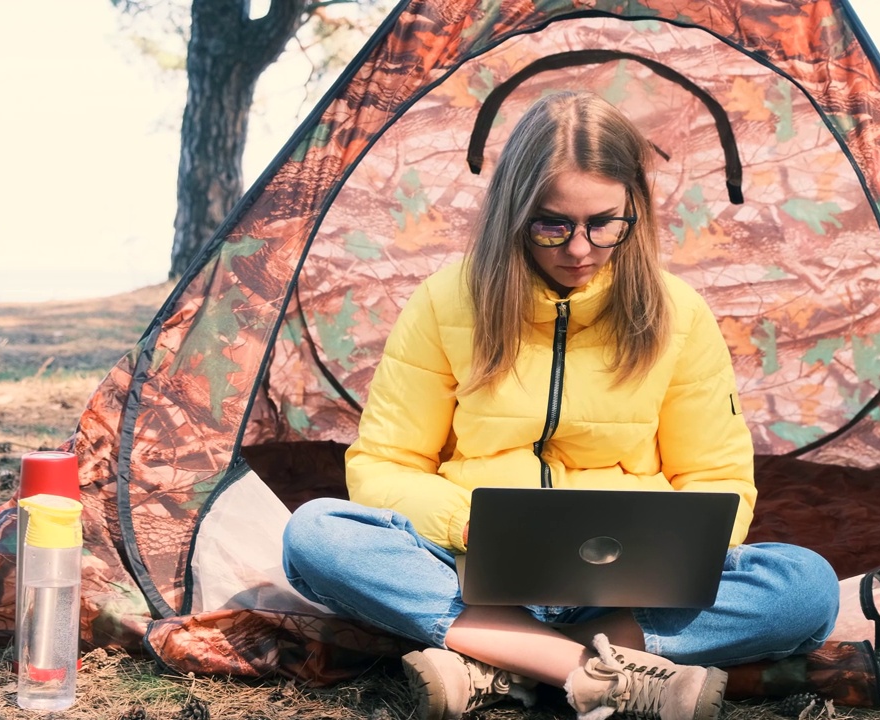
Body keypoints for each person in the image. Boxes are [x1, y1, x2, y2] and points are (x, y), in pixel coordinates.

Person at [282, 91, 840, 720]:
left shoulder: (679, 314)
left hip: (628, 591)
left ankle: (495, 666)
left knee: (805, 587)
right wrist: (470, 525)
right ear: (512, 216)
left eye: (605, 223)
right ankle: (595, 674)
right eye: (552, 224)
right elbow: (383, 464)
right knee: (316, 536)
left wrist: (665, 552)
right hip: (471, 572)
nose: (579, 249)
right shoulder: (445, 302)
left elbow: (717, 480)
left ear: (636, 210)